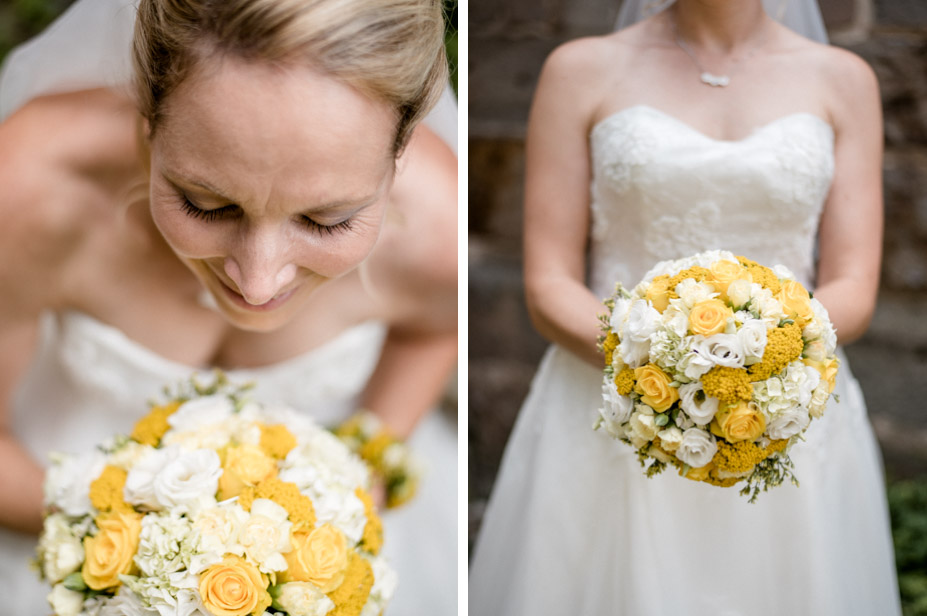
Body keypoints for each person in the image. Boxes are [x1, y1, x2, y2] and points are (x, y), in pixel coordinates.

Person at [0, 0, 458, 614]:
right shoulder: (30, 190)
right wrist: (134, 540)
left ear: (401, 151)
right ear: (148, 120)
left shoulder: (438, 231)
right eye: (205, 205)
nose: (258, 283)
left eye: (327, 220)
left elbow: (432, 331)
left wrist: (368, 461)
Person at [469, 0, 900, 613]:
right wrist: (661, 369)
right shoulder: (579, 69)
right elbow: (549, 284)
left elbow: (854, 284)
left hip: (785, 408)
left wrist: (762, 371)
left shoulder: (843, 79)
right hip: (613, 399)